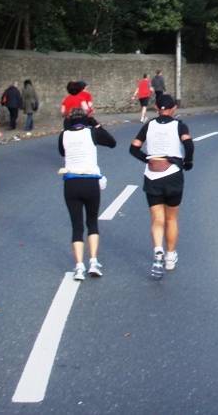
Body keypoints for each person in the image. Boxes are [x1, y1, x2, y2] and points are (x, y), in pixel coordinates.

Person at [129, 93, 194, 279]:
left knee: (157, 219)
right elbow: (188, 145)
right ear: (174, 109)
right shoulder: (179, 125)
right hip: (173, 175)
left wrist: (148, 160)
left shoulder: (148, 126)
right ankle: (170, 256)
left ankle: (158, 250)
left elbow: (133, 148)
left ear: (156, 108)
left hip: (152, 176)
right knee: (171, 219)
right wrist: (187, 162)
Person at [58, 107, 116, 280]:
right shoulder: (92, 133)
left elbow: (62, 152)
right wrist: (96, 125)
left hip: (71, 183)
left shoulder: (64, 135)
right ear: (86, 119)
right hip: (90, 181)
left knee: (77, 226)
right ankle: (93, 262)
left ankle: (78, 267)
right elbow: (112, 142)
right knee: (92, 222)